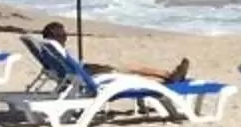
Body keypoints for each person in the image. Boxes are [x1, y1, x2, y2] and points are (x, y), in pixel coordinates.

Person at [40, 18, 188, 86]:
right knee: (132, 73)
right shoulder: (59, 51)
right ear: (58, 36)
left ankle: (168, 75)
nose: (66, 36)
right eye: (63, 34)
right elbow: (78, 70)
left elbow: (73, 68)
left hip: (88, 72)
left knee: (131, 68)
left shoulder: (48, 50)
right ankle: (167, 79)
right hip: (93, 76)